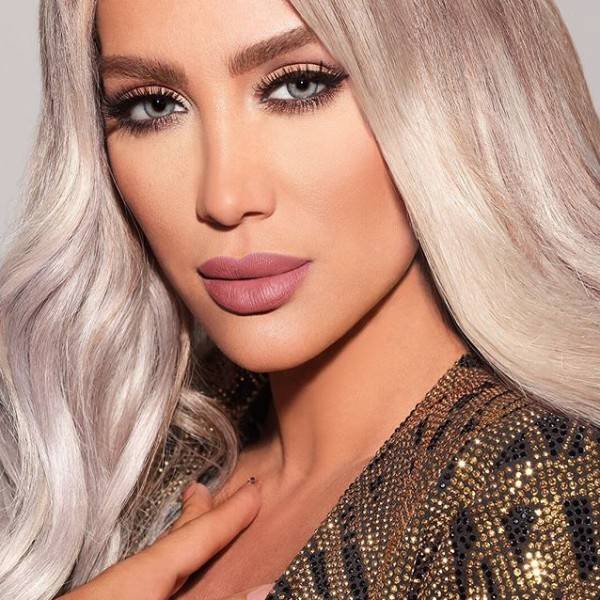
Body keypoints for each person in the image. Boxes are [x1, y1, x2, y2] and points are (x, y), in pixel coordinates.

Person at [0, 0, 598, 598]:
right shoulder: (124, 468)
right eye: (154, 106)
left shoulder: (545, 495)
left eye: (298, 86)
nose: (225, 199)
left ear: (457, 93)